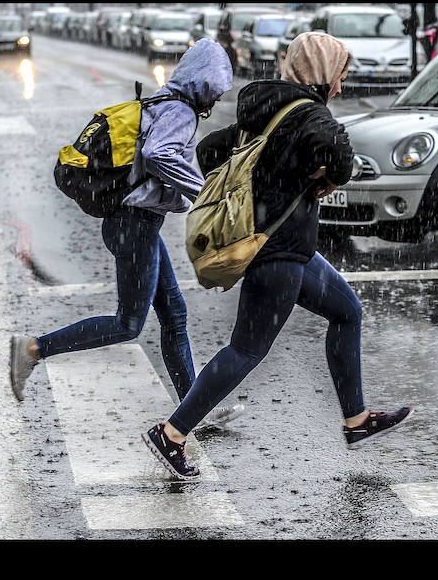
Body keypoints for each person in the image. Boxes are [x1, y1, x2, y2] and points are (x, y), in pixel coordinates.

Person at [141, 31, 412, 480]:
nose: (340, 87)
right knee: (245, 350)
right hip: (277, 252)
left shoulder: (264, 109)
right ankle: (171, 433)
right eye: (339, 76)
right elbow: (341, 155)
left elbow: (209, 152)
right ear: (322, 72)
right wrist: (319, 173)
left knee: (347, 312)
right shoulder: (308, 112)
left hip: (290, 249)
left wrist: (271, 176)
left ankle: (357, 420)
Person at [9, 38, 245, 428]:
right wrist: (203, 194)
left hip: (136, 223)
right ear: (204, 81)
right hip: (134, 225)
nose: (218, 99)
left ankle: (192, 409)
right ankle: (33, 349)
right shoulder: (180, 109)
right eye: (217, 88)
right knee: (128, 324)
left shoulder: (162, 100)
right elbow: (158, 154)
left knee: (175, 316)